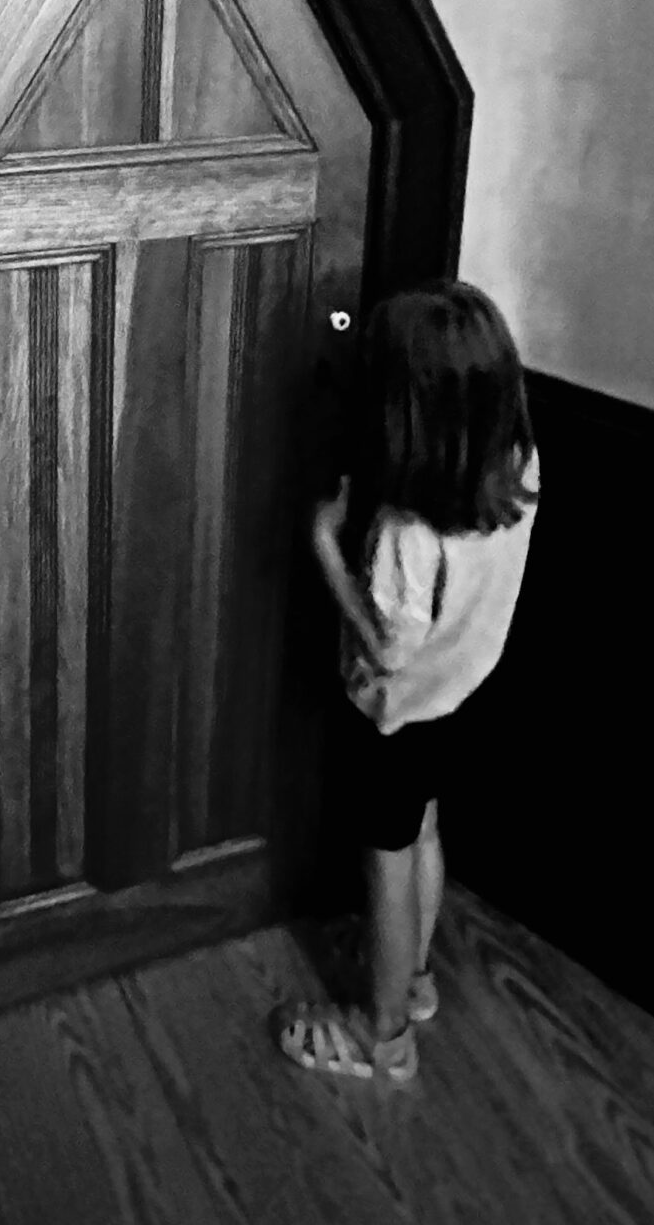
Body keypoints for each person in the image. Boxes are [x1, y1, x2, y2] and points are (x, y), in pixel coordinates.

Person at [276, 278, 541, 1085]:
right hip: (456, 696)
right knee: (420, 831)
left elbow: (388, 649)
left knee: (384, 861)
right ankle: (412, 977)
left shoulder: (405, 533)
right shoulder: (515, 466)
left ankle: (381, 1033)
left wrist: (325, 547)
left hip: (393, 717)